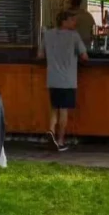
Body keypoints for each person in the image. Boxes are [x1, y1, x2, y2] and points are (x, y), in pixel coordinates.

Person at [39, 11, 89, 151]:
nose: (75, 23)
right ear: (64, 21)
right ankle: (60, 141)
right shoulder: (74, 36)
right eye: (72, 20)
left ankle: (51, 131)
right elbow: (85, 56)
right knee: (63, 110)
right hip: (67, 80)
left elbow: (40, 55)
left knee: (54, 108)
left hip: (52, 78)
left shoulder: (48, 35)